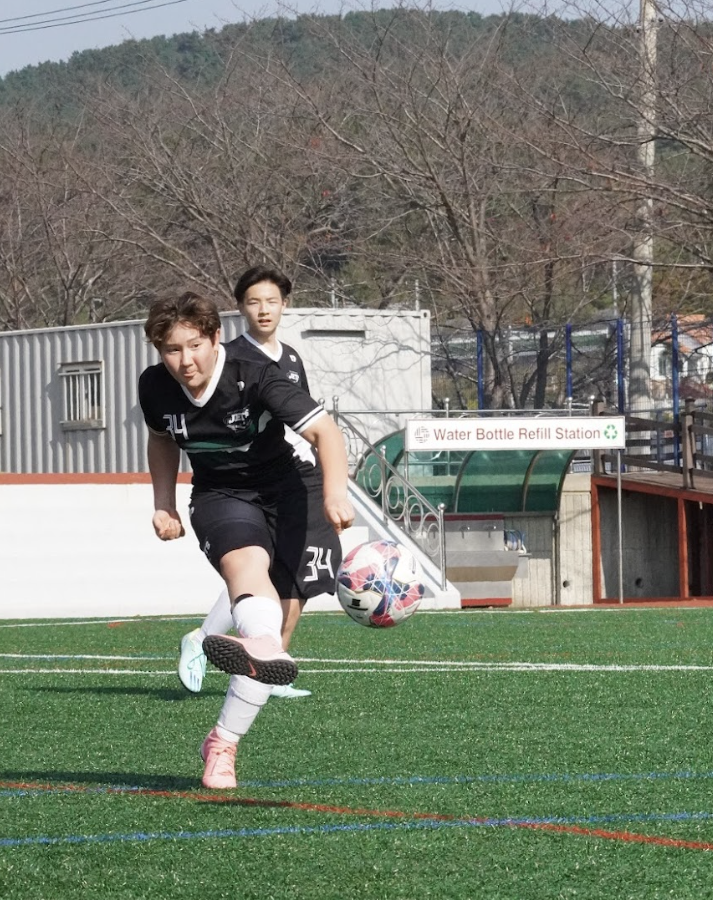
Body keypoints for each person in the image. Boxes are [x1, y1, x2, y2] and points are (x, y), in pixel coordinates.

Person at [138, 292, 354, 788]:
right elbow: (161, 438)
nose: (185, 360)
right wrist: (164, 503)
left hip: (292, 490)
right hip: (221, 493)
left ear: (216, 339)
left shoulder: (253, 374)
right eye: (172, 350)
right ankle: (256, 645)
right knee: (247, 570)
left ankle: (222, 740)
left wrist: (337, 494)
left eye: (194, 345)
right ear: (159, 351)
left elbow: (326, 432)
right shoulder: (155, 386)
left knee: (284, 610)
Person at [177, 266, 317, 700]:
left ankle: (269, 666)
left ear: (285, 305)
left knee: (289, 572)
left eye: (271, 301)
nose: (264, 310)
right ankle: (206, 642)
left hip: (289, 473)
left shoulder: (291, 358)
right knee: (259, 570)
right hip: (241, 485)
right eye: (254, 302)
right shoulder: (232, 357)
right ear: (239, 308)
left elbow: (303, 418)